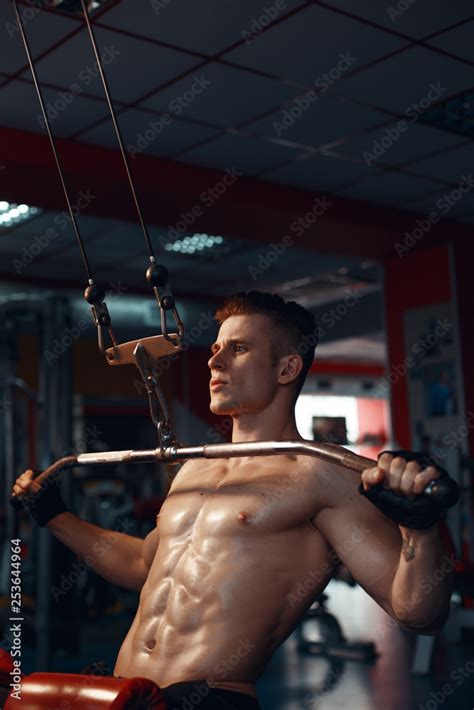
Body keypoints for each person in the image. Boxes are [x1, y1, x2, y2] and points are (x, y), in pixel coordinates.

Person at [12, 291, 454, 709]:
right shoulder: (194, 467)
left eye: (238, 349)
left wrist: (421, 527)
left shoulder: (323, 473)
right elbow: (142, 566)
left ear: (286, 369)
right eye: (216, 348)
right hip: (126, 693)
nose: (214, 360)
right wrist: (55, 515)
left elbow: (419, 614)